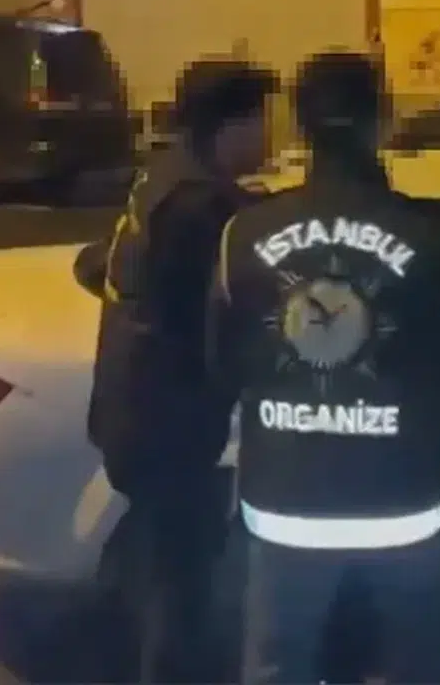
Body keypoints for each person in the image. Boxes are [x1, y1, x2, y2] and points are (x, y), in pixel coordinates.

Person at [203, 51, 440, 684]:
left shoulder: (244, 233)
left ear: (299, 127)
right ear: (384, 122)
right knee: (415, 672)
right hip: (403, 510)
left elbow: (219, 365)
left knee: (277, 671)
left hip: (284, 507)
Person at [86, 57, 277, 683]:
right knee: (181, 587)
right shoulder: (201, 207)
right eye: (264, 119)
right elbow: (224, 314)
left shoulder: (164, 176)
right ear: (232, 125)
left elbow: (103, 264)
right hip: (168, 424)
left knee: (158, 568)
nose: (271, 134)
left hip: (133, 410)